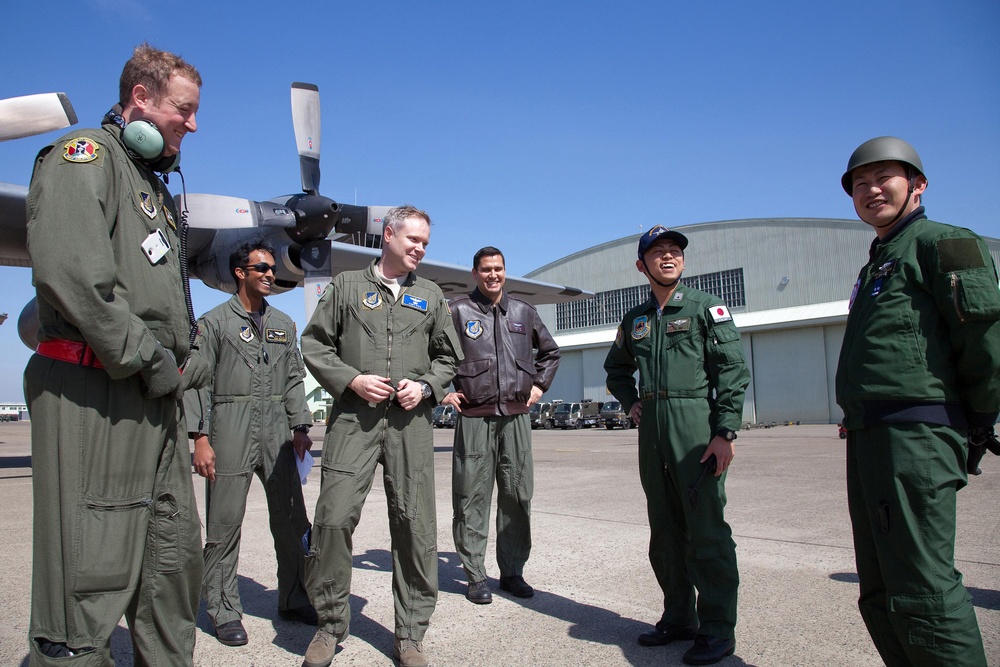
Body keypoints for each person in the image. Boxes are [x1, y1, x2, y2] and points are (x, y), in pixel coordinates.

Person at [23, 43, 206, 664]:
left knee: (172, 563)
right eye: (184, 109)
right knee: (87, 575)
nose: (193, 122)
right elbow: (74, 279)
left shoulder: (149, 186)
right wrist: (154, 362)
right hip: (95, 390)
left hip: (153, 399)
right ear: (140, 99)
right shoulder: (86, 158)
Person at [837, 136, 1000, 666]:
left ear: (918, 184)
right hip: (871, 436)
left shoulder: (943, 243)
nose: (871, 189)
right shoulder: (878, 263)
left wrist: (975, 423)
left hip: (914, 437)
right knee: (881, 587)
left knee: (923, 589)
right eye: (860, 183)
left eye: (884, 177)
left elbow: (985, 343)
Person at [299, 205, 462, 667]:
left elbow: (449, 358)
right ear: (388, 235)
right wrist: (351, 379)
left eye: (426, 243)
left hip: (410, 424)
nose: (420, 249)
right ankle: (329, 625)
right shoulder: (347, 286)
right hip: (355, 419)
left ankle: (410, 634)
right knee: (332, 519)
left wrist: (426, 385)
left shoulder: (430, 295)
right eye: (413, 240)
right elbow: (315, 344)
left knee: (415, 526)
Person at [604, 226, 749, 666]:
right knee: (665, 531)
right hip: (652, 434)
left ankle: (718, 629)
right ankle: (678, 617)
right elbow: (616, 370)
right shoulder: (636, 320)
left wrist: (724, 432)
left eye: (674, 252)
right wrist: (631, 404)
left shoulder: (708, 309)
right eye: (658, 252)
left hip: (694, 428)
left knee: (707, 530)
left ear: (682, 262)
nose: (668, 257)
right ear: (641, 264)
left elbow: (732, 371)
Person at [184, 239, 316, 646]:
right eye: (261, 269)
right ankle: (223, 609)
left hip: (278, 432)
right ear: (240, 272)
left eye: (272, 269)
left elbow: (294, 379)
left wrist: (300, 428)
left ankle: (293, 597)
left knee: (293, 521)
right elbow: (198, 383)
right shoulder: (214, 323)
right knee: (224, 525)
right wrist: (200, 438)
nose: (270, 275)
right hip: (230, 427)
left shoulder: (283, 324)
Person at [442, 246, 560, 604]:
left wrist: (540, 385)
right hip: (475, 416)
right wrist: (442, 393)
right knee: (471, 496)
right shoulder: (458, 311)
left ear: (505, 271)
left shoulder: (524, 311)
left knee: (518, 495)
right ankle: (475, 576)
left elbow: (551, 352)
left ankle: (512, 572)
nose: (493, 275)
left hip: (517, 416)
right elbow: (432, 354)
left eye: (499, 268)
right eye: (486, 269)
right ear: (475, 273)